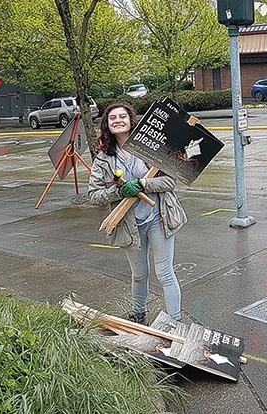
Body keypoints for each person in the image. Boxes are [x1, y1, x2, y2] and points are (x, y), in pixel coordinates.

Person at [88, 103, 187, 323]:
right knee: (139, 274)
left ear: (132, 120)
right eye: (112, 118)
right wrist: (119, 191)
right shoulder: (104, 158)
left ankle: (175, 322)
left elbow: (171, 180)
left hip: (158, 217)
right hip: (129, 225)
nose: (117, 120)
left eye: (122, 116)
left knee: (165, 273)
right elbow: (93, 195)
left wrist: (142, 184)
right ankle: (138, 312)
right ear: (107, 125)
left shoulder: (150, 149)